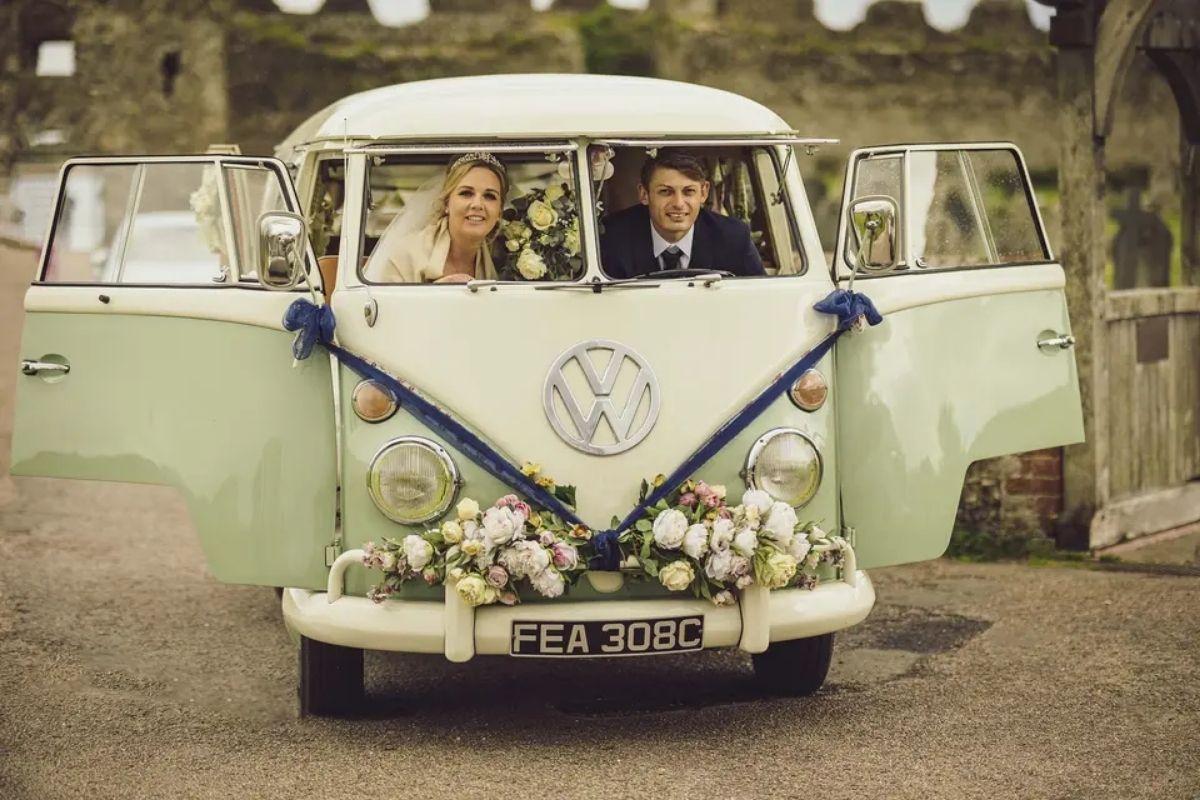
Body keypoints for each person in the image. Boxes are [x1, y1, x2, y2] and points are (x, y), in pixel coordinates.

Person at [599, 150, 765, 279]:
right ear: (644, 194)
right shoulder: (612, 237)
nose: (678, 203)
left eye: (689, 192)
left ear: (704, 192)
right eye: (665, 192)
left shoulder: (733, 237)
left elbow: (761, 300)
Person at [363, 152, 507, 284]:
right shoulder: (404, 256)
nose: (477, 204)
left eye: (489, 196)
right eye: (466, 193)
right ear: (446, 203)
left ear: (499, 212)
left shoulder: (503, 260)